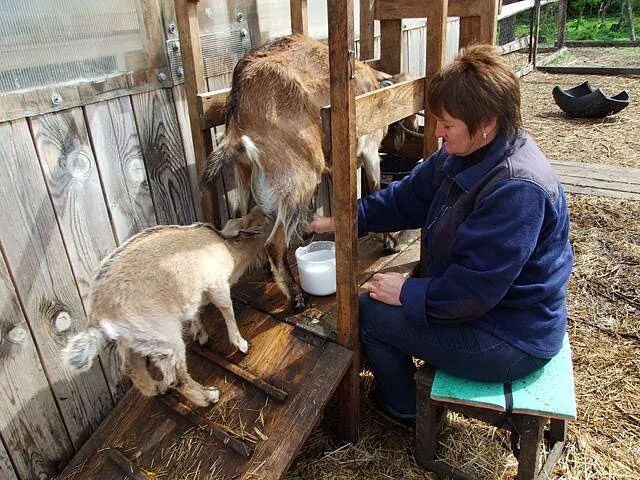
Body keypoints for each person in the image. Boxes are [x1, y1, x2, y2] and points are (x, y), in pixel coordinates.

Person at [307, 44, 573, 426]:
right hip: (495, 313)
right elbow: (408, 197)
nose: (437, 131)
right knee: (386, 301)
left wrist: (409, 293)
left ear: (486, 125)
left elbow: (474, 292)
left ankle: (405, 409)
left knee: (370, 313)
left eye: (447, 125)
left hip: (510, 336)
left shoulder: (517, 188)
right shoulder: (465, 153)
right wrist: (349, 220)